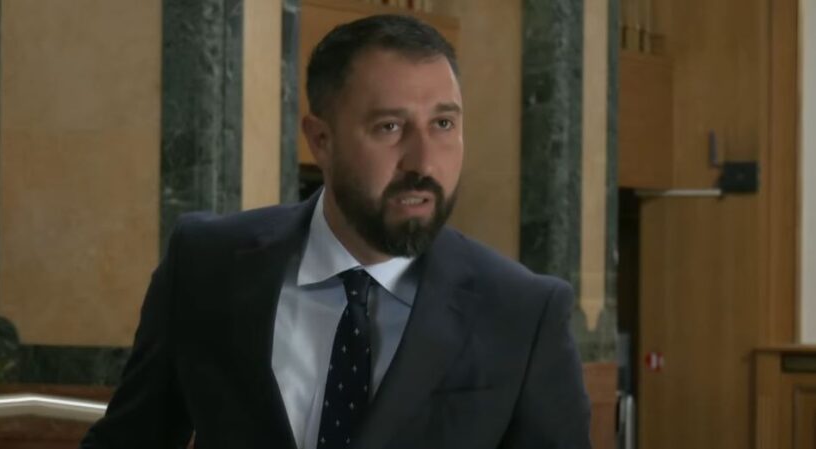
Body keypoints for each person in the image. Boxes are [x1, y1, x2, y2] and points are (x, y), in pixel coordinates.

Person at [80, 13, 590, 449]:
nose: (423, 162)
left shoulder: (522, 313)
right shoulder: (205, 265)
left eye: (443, 125)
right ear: (321, 140)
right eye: (390, 127)